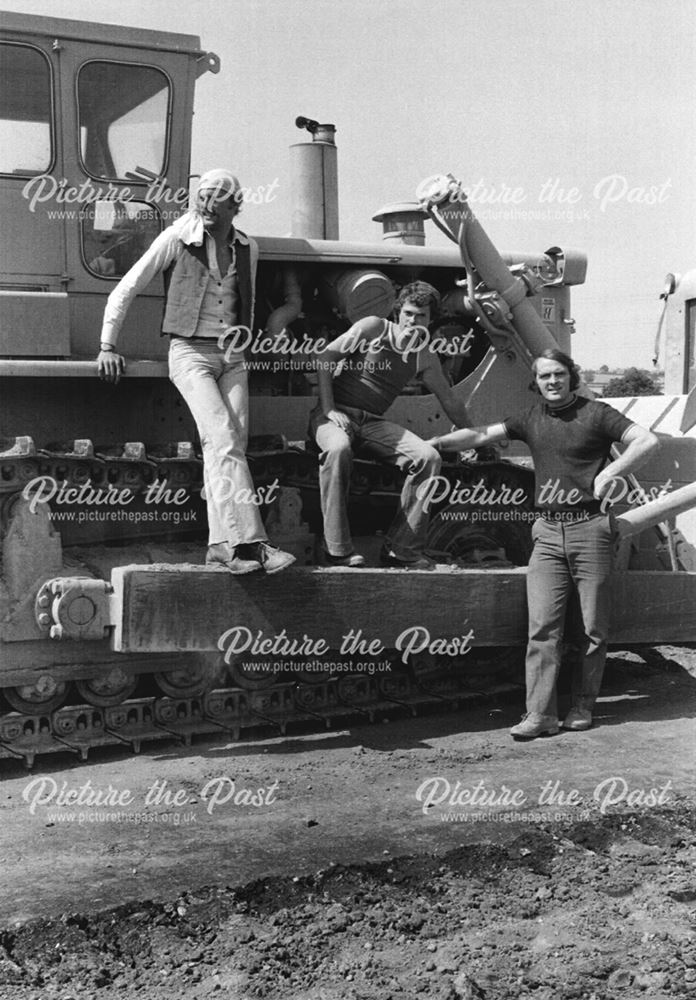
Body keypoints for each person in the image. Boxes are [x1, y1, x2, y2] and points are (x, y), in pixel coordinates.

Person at [427, 348, 660, 737]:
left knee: (591, 628)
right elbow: (482, 433)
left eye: (558, 375)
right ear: (535, 382)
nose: (552, 382)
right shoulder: (531, 418)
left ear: (571, 376)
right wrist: (435, 442)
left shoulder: (597, 414)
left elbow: (647, 441)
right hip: (548, 533)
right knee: (542, 628)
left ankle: (583, 707)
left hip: (591, 529)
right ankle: (541, 715)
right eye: (544, 377)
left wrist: (613, 471)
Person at [97, 168, 295, 575]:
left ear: (234, 206)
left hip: (234, 357)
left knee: (228, 447)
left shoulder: (248, 247)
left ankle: (220, 546)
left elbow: (249, 300)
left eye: (215, 198)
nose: (204, 204)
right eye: (201, 196)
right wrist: (107, 344)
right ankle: (253, 544)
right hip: (190, 353)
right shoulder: (175, 238)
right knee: (222, 439)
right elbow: (128, 286)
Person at [310, 281, 470, 568]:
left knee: (428, 457)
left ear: (430, 320)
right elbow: (325, 357)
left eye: (421, 316)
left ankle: (402, 551)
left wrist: (475, 436)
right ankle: (336, 548)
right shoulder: (373, 328)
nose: (413, 320)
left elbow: (450, 400)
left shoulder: (424, 355)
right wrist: (329, 408)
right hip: (333, 417)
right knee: (338, 448)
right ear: (398, 312)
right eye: (409, 313)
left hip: (372, 423)